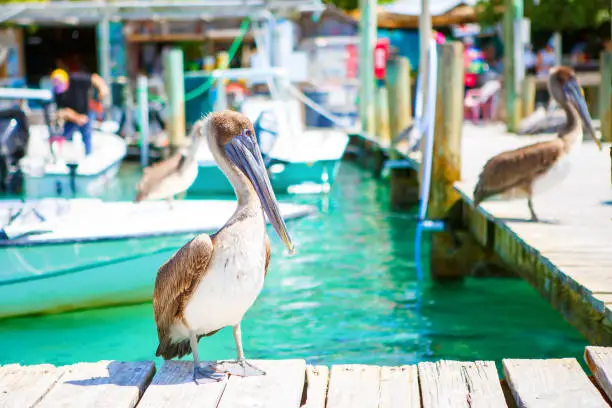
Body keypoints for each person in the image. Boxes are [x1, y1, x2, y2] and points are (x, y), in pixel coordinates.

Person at [50, 68, 109, 156]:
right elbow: (62, 111)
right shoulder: (57, 92)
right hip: (71, 118)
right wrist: (77, 117)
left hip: (86, 112)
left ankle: (89, 156)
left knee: (87, 136)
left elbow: (95, 78)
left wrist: (103, 89)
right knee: (65, 138)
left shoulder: (76, 79)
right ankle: (66, 158)